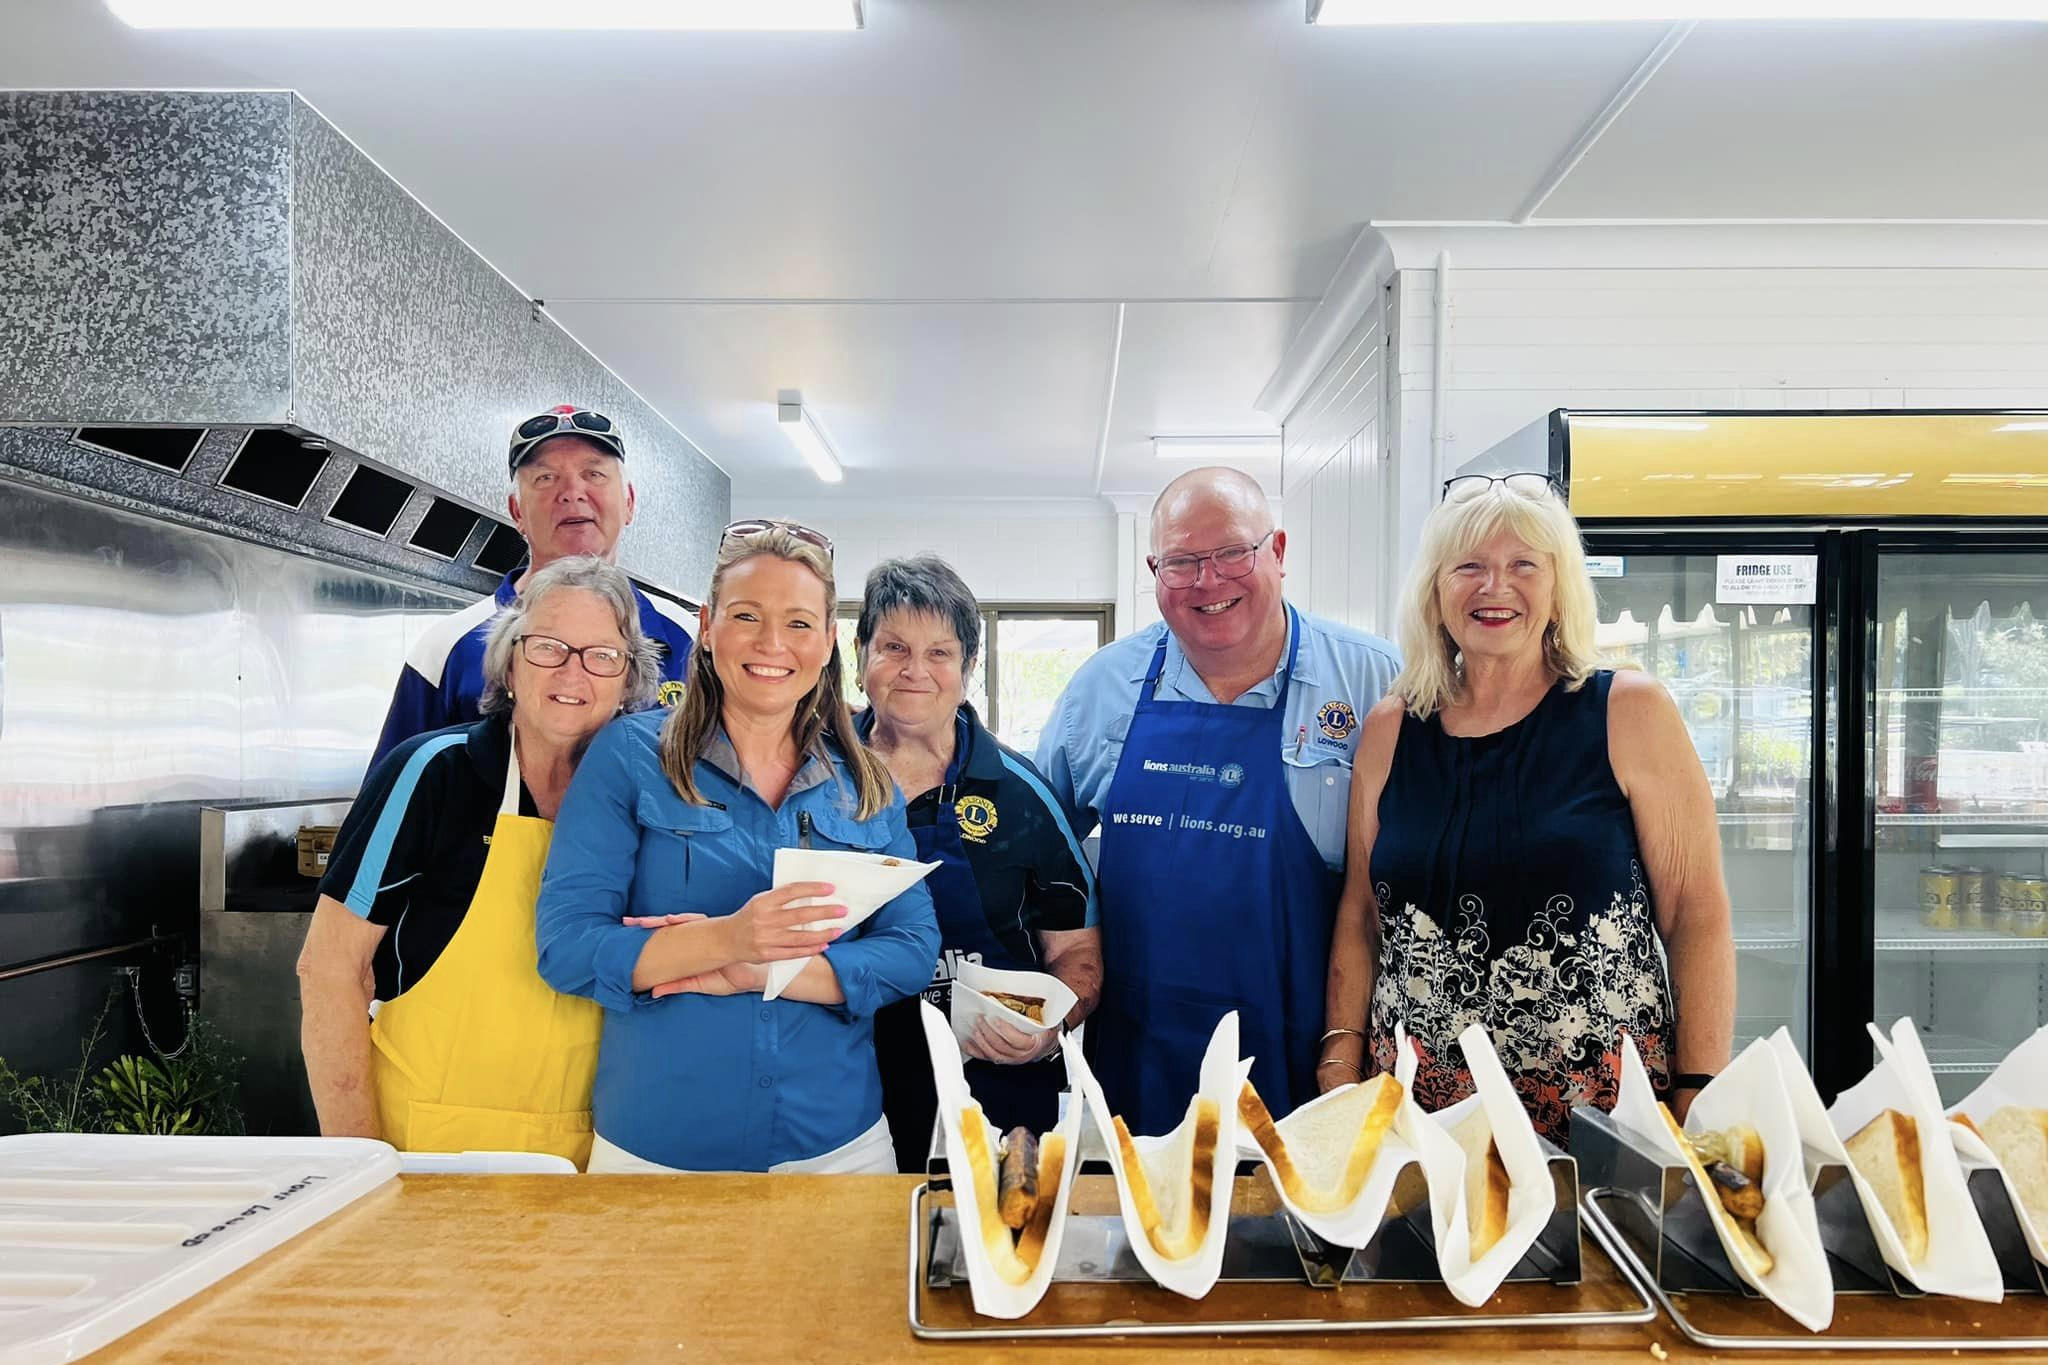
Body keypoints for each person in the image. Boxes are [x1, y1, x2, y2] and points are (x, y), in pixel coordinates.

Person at [1321, 473, 1737, 1145]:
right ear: (1435, 590)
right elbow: (1361, 911)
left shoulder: (1628, 711)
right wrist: (1339, 1058)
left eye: (1523, 565)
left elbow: (1697, 913)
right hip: (1421, 1118)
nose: (1495, 587)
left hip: (1597, 1117)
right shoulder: (1390, 727)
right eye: (1470, 567)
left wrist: (1699, 1086)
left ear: (1558, 588)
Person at [535, 521, 941, 1174]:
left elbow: (913, 949)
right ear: (707, 625)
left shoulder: (867, 784)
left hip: (838, 1149)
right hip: (659, 1150)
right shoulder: (629, 757)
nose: (772, 643)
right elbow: (567, 946)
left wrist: (763, 972)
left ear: (829, 641)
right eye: (746, 615)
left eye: (800, 623)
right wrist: (728, 940)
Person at [1036, 467, 1401, 1134]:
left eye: (1234, 551)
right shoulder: (1101, 691)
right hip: (1142, 1077)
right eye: (1182, 562)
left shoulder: (1377, 681)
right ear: (1154, 570)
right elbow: (1032, 856)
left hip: (1316, 1072)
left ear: (1279, 551)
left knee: (1312, 1241)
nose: (1209, 580)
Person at [297, 556, 660, 1167]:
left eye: (602, 655)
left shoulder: (648, 800)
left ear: (628, 682)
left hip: (594, 1154)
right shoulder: (431, 773)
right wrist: (359, 1164)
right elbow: (330, 970)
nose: (573, 671)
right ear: (510, 661)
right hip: (427, 1151)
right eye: (548, 647)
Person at [852, 555, 1101, 1169]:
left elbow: (1078, 956)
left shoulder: (1023, 795)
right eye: (893, 647)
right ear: (860, 657)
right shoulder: (814, 777)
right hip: (846, 1096)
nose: (915, 671)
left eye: (940, 653)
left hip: (996, 1099)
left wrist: (1048, 1029)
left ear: (968, 669)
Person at [368, 404, 695, 769]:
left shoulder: (688, 639)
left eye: (594, 474)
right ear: (517, 511)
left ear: (630, 502)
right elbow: (396, 789)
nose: (573, 492)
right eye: (545, 478)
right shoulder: (445, 649)